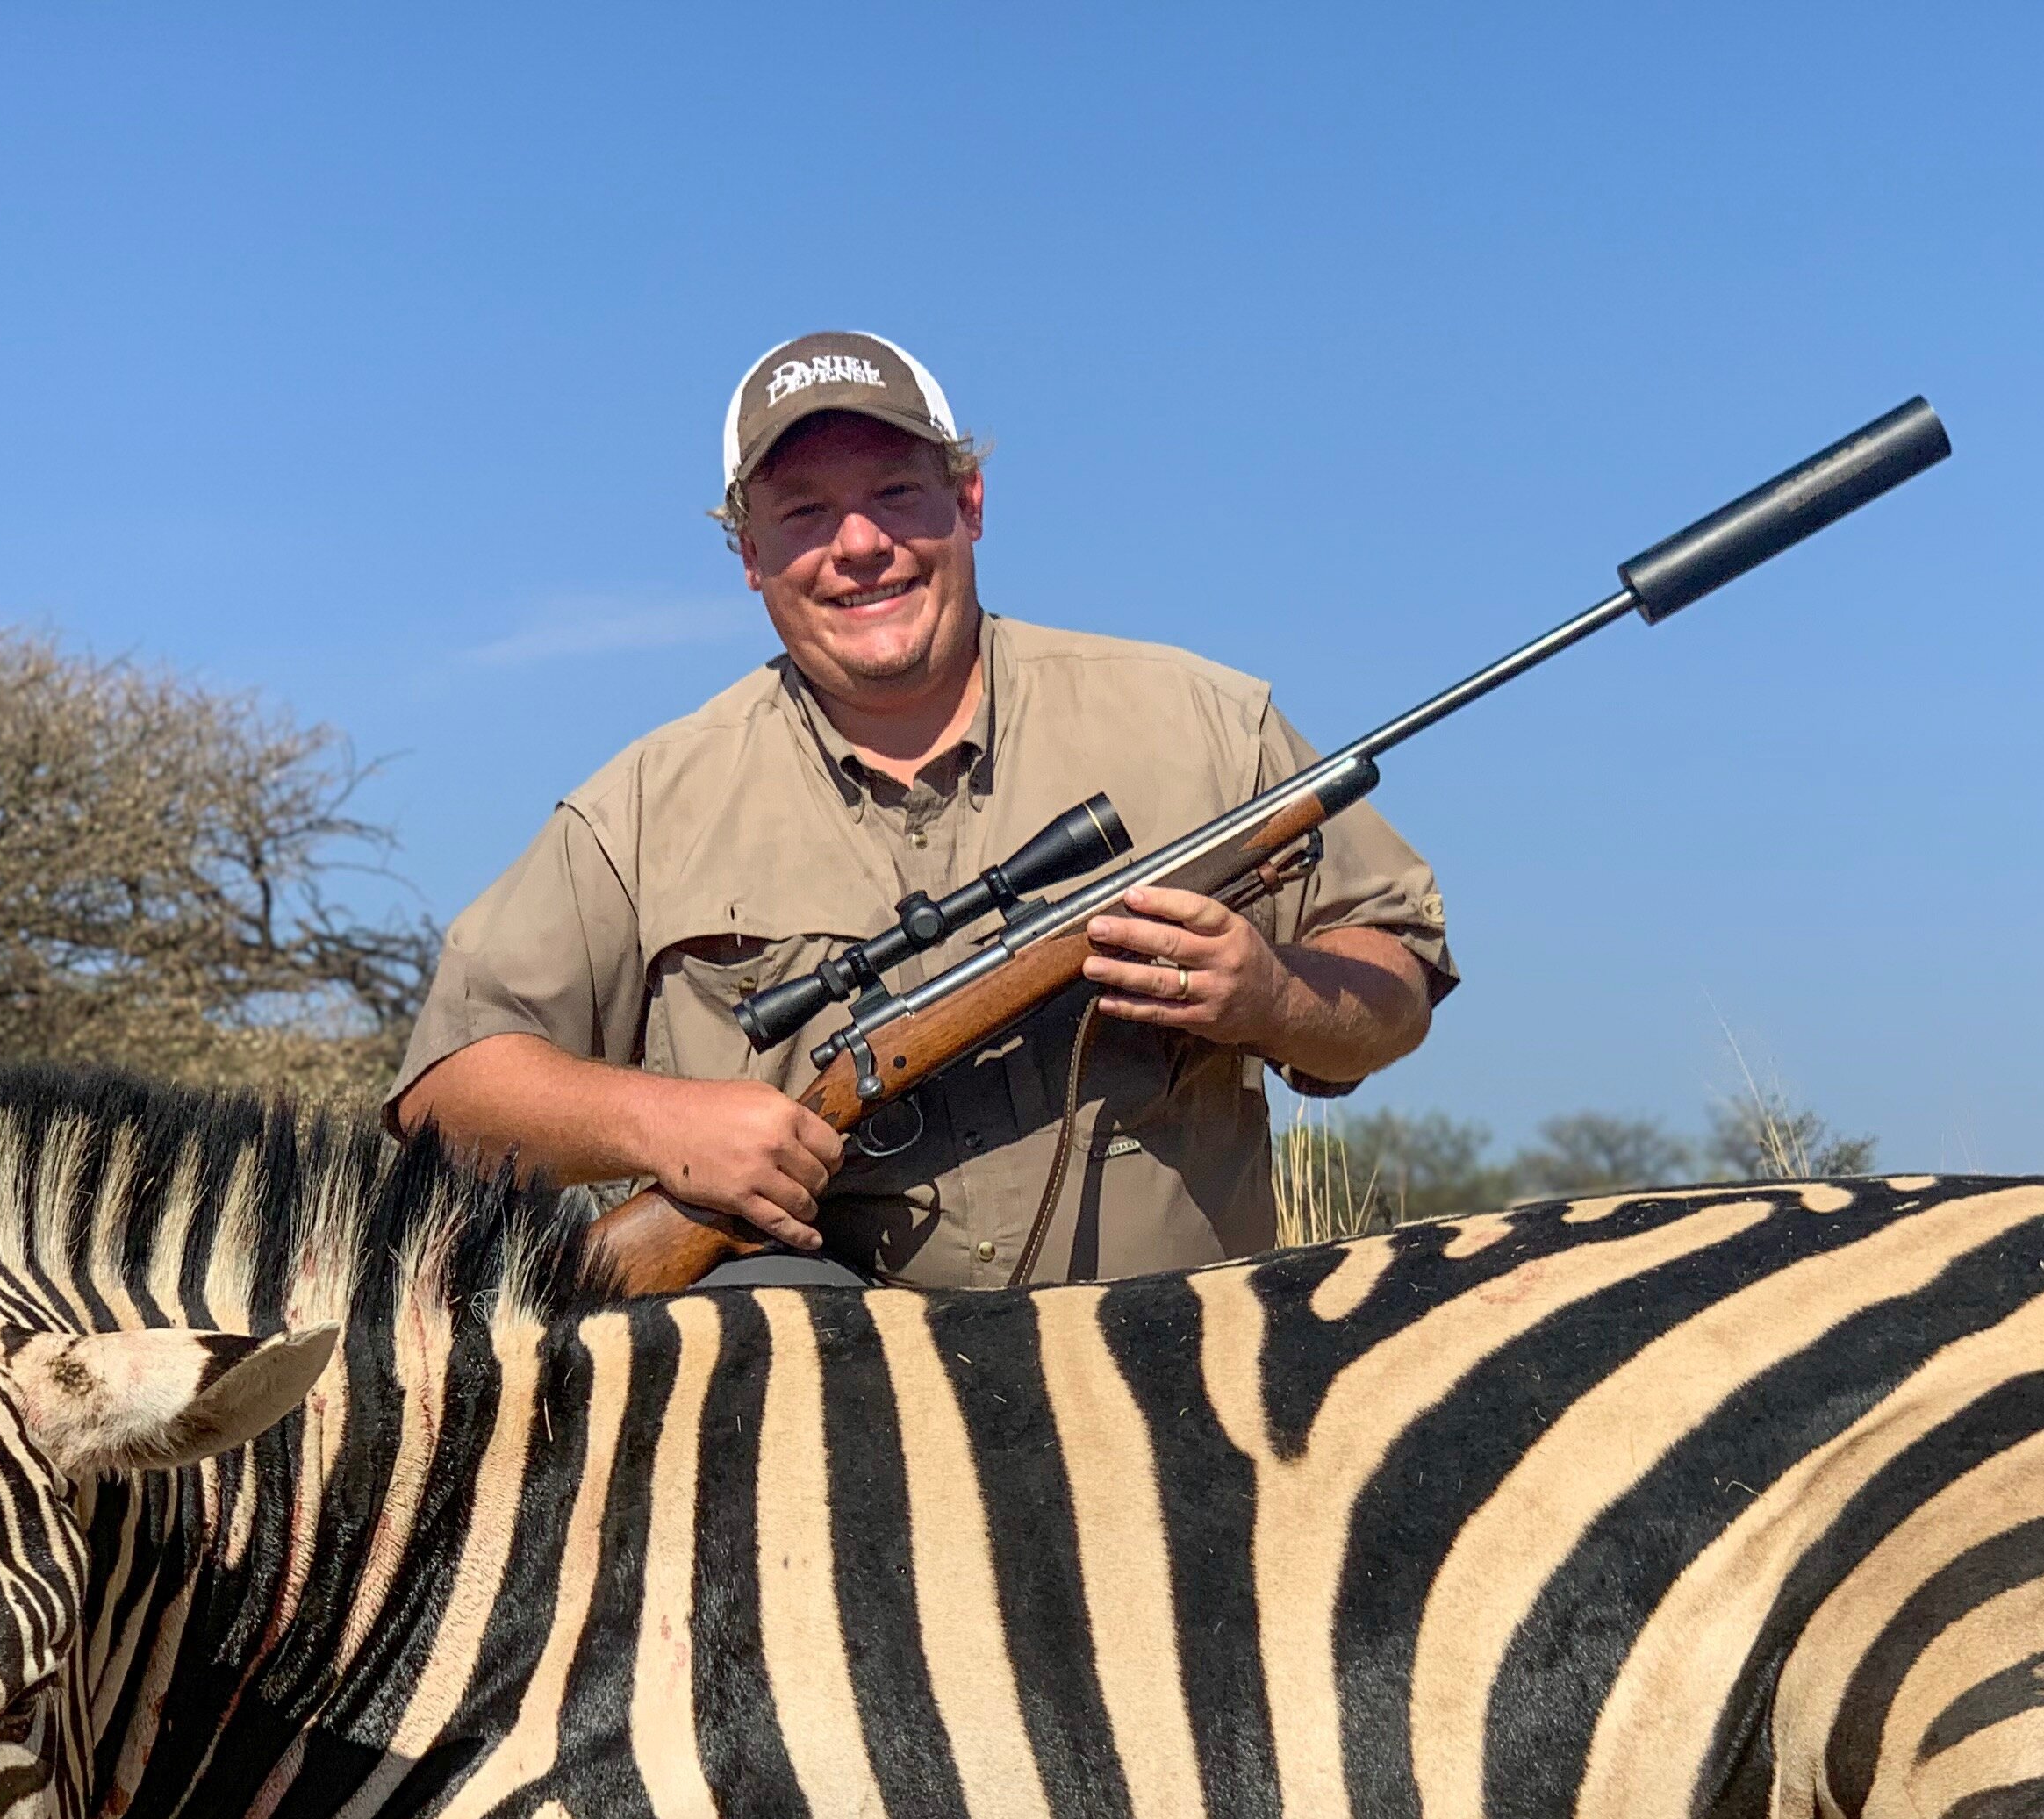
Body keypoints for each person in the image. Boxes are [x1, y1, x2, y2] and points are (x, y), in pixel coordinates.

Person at [389, 330, 1452, 1289]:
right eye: (804, 512)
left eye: (897, 493)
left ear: (971, 501)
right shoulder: (637, 811)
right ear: (749, 555)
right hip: (819, 1458)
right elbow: (449, 1089)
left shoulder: (1206, 723)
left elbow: (1395, 973)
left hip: (1173, 1410)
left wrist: (1271, 995)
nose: (859, 544)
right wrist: (669, 1125)